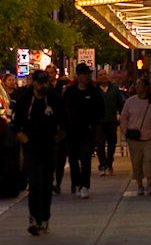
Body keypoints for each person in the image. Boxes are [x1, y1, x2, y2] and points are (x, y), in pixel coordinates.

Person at [15, 71, 60, 235]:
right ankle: (33, 217)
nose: (43, 86)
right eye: (40, 83)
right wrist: (26, 140)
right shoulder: (25, 101)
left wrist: (57, 139)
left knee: (47, 184)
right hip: (31, 148)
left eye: (45, 83)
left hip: (49, 146)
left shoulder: (54, 100)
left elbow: (63, 122)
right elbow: (16, 126)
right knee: (34, 183)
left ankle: (45, 217)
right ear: (33, 83)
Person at [61, 64, 102, 198]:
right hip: (71, 132)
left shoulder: (94, 92)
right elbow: (63, 110)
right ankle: (76, 183)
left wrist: (93, 124)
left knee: (85, 159)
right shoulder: (70, 92)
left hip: (87, 132)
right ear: (78, 76)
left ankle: (85, 185)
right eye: (84, 74)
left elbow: (100, 109)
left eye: (89, 74)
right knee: (73, 160)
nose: (87, 76)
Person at [120, 79, 151, 198]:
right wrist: (125, 131)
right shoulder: (130, 102)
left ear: (146, 87)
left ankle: (149, 183)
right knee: (136, 162)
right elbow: (124, 117)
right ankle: (139, 184)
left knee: (149, 160)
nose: (138, 87)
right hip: (134, 138)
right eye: (137, 85)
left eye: (140, 85)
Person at [96, 70, 123, 174]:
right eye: (101, 75)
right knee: (100, 144)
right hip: (99, 121)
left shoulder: (114, 89)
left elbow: (120, 104)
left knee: (112, 143)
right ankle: (102, 164)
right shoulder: (95, 90)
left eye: (105, 74)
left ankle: (109, 163)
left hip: (111, 120)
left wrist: (120, 116)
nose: (103, 76)